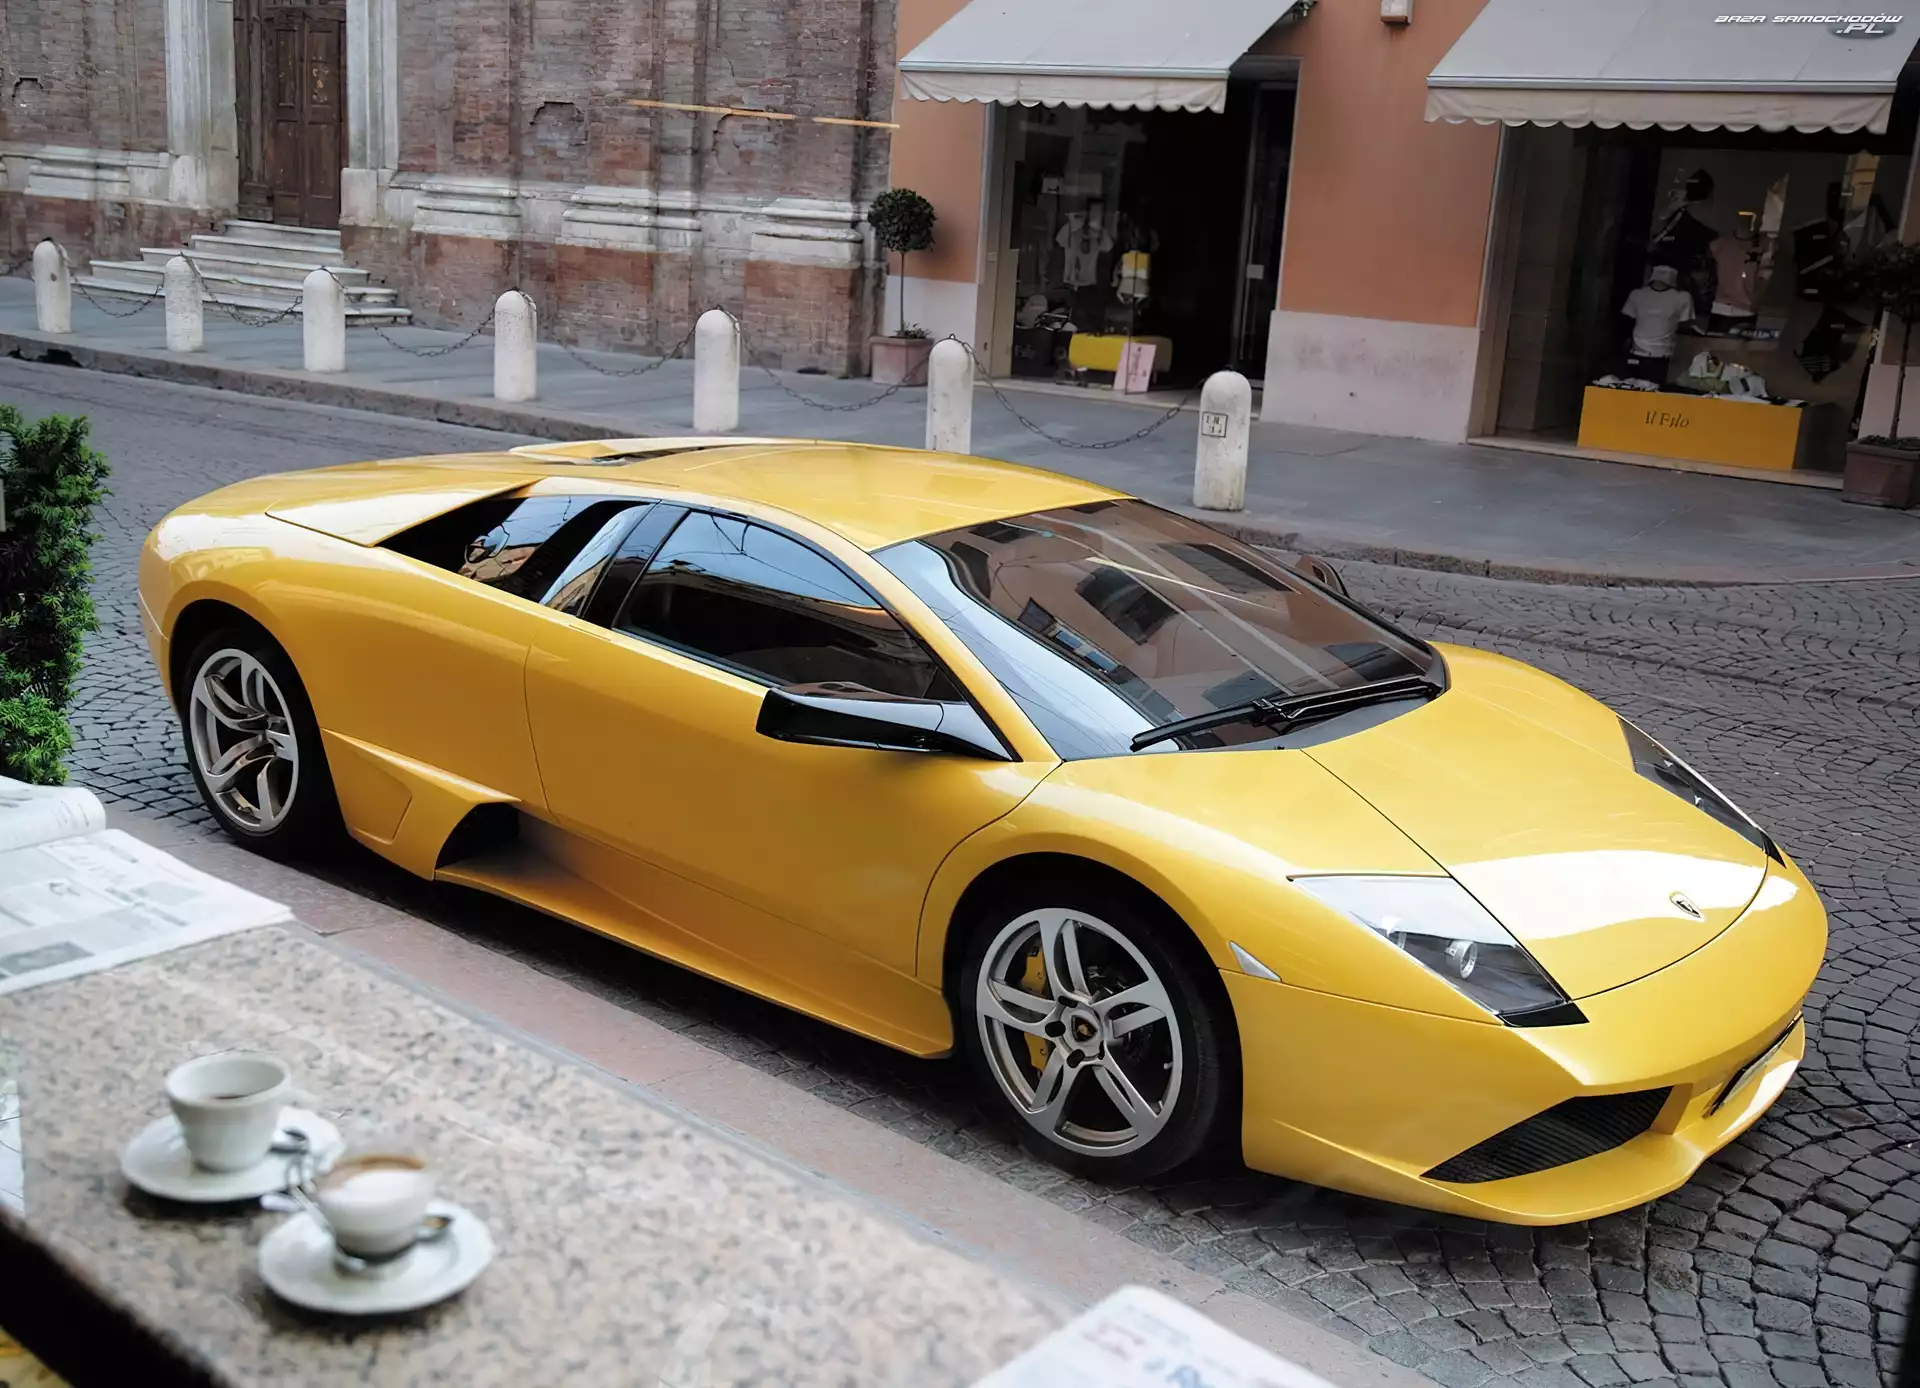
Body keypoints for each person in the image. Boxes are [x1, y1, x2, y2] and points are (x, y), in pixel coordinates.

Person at [1620, 265, 1697, 384]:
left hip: (1658, 355)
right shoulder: (1637, 295)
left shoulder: (1682, 298)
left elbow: (1628, 321)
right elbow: (1685, 325)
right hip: (1644, 353)